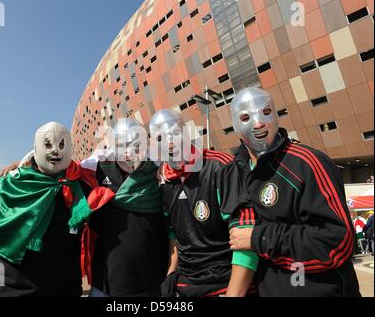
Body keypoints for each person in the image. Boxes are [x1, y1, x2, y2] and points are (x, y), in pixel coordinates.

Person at [0, 122, 111, 297]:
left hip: (63, 290)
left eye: (62, 145)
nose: (55, 151)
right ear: (36, 147)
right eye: (48, 144)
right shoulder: (8, 186)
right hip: (9, 291)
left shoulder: (82, 188)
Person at [227, 87, 360, 297]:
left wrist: (259, 238)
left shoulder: (308, 163)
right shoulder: (234, 171)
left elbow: (340, 242)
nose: (259, 122)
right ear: (235, 124)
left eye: (266, 112)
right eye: (246, 117)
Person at [16, 118, 169, 297]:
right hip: (106, 281)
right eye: (122, 145)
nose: (128, 153)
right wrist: (27, 164)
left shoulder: (160, 170)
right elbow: (62, 166)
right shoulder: (97, 167)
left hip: (151, 281)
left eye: (135, 145)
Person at [149, 110, 258, 297]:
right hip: (187, 284)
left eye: (174, 133)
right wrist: (170, 276)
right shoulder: (163, 181)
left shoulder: (220, 166)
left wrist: (234, 294)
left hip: (226, 282)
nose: (170, 143)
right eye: (160, 138)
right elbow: (175, 234)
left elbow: (246, 232)